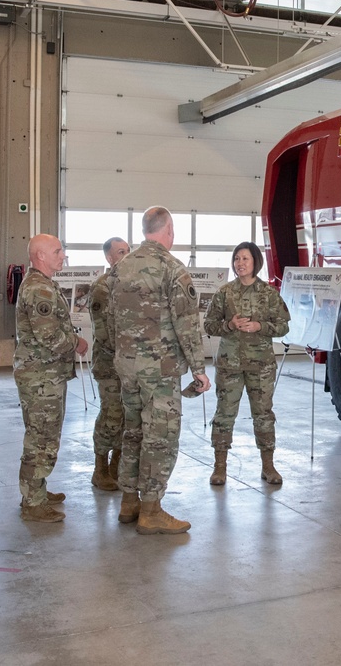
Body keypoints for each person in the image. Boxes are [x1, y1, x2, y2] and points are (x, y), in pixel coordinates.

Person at [107, 207, 210, 535]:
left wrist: (123, 356)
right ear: (169, 230)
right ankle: (151, 509)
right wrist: (199, 369)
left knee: (133, 430)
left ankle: (129, 502)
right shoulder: (172, 268)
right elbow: (187, 325)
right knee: (161, 437)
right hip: (159, 371)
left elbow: (110, 320)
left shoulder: (120, 267)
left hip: (127, 368)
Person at [13, 234, 89, 523]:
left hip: (46, 375)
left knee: (46, 435)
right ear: (40, 256)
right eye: (57, 251)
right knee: (40, 438)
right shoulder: (39, 289)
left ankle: (38, 490)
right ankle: (32, 501)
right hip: (40, 376)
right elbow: (48, 337)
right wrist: (77, 342)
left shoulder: (43, 284)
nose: (63, 254)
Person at [203, 242, 290, 486]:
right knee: (224, 414)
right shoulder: (224, 293)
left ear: (255, 263)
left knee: (263, 415)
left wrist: (260, 326)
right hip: (229, 364)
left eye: (245, 259)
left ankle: (268, 466)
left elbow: (284, 325)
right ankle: (219, 467)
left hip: (260, 365)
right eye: (237, 259)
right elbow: (209, 325)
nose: (239, 263)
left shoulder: (269, 294)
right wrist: (229, 325)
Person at [88, 237, 130, 491]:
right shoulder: (102, 287)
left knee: (127, 416)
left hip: (131, 366)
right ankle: (100, 468)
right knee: (111, 415)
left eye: (128, 251)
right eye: (121, 252)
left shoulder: (132, 284)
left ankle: (117, 466)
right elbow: (104, 333)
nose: (126, 255)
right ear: (109, 258)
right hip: (109, 365)